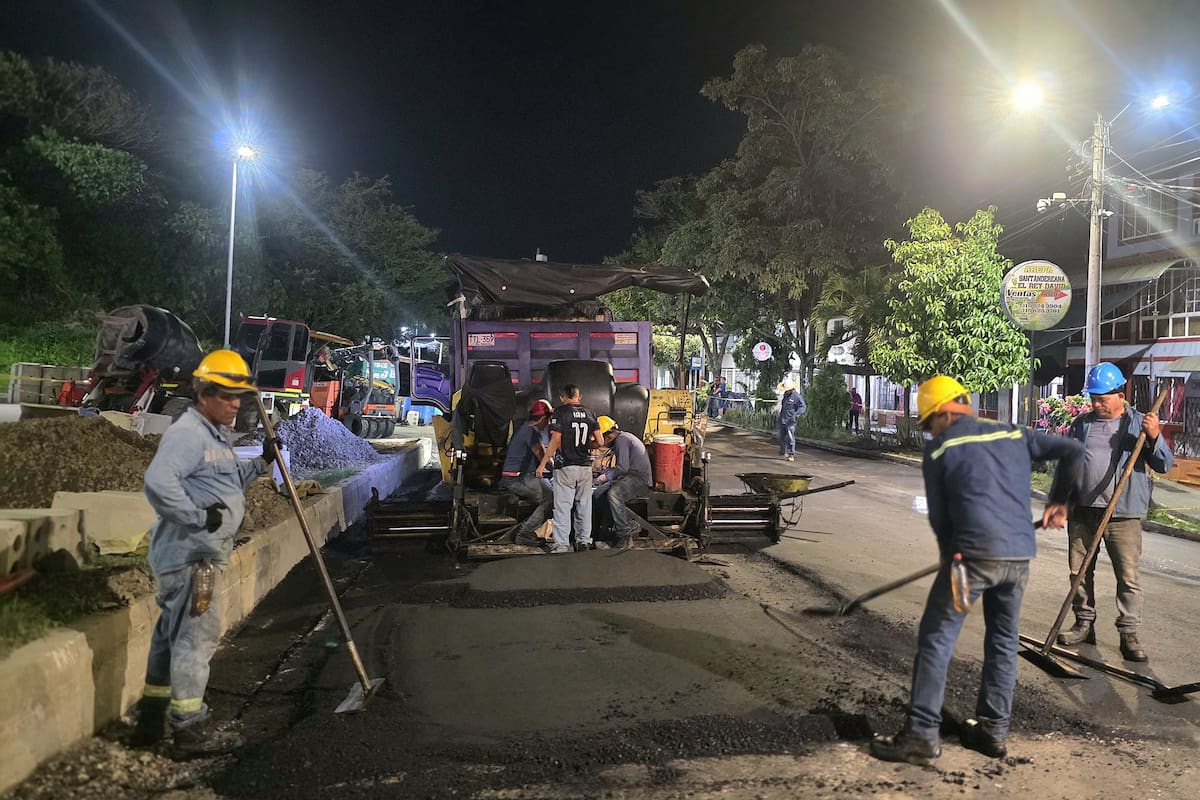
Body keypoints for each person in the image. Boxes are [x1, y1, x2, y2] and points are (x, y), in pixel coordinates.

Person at [870, 376, 1083, 766]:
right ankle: (992, 731)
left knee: (937, 638)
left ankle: (921, 735)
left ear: (945, 411)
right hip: (1017, 559)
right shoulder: (1013, 433)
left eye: (930, 422)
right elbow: (1073, 450)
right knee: (1003, 640)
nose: (931, 431)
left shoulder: (941, 448)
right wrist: (1060, 502)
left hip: (971, 561)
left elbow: (941, 519)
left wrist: (949, 558)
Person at [128, 350, 278, 757]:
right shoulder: (189, 434)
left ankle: (151, 720)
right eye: (227, 396)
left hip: (190, 554)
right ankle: (189, 729)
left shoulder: (214, 434)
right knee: (195, 640)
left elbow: (224, 482)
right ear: (204, 393)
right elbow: (159, 483)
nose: (235, 404)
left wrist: (261, 462)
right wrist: (198, 518)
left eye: (239, 397)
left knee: (169, 638)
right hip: (191, 557)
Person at [1043, 362, 1173, 663]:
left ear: (1119, 395)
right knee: (1079, 572)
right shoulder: (1082, 424)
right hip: (1083, 511)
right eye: (1093, 398)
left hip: (1122, 514)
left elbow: (1164, 464)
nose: (1096, 404)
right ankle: (1083, 624)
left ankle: (1129, 634)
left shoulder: (1139, 424)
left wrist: (1154, 436)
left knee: (1127, 576)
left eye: (1102, 398)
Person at [535, 384, 604, 553]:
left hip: (565, 467)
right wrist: (585, 447)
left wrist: (543, 463)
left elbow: (555, 440)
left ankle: (562, 545)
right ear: (579, 397)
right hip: (585, 467)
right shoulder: (590, 413)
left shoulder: (560, 413)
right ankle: (584, 541)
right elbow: (601, 441)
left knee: (562, 507)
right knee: (584, 505)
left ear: (562, 398)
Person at [499, 399, 555, 547]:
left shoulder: (525, 429)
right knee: (551, 499)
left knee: (548, 491)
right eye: (549, 418)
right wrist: (562, 470)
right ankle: (524, 534)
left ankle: (527, 528)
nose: (549, 422)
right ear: (543, 418)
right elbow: (544, 458)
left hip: (519, 476)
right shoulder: (531, 432)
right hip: (517, 479)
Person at [593, 416, 653, 547]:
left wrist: (606, 476)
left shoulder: (622, 439)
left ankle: (624, 533)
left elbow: (622, 467)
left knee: (614, 494)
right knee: (597, 494)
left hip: (639, 478)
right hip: (627, 476)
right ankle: (621, 524)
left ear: (608, 435)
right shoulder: (622, 438)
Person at [777, 378, 806, 462]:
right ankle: (783, 451)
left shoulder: (797, 397)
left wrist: (796, 415)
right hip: (782, 418)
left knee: (790, 437)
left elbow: (803, 407)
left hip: (791, 420)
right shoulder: (786, 395)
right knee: (781, 436)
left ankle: (791, 454)